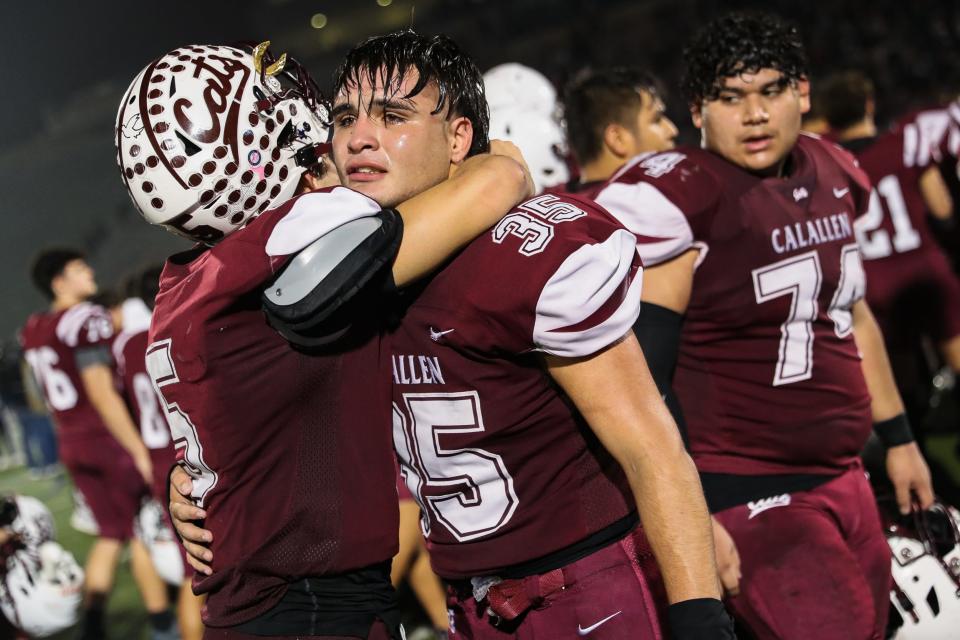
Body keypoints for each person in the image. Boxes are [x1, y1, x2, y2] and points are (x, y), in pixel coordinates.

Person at [177, 30, 733, 640]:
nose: (361, 137)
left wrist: (698, 612)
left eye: (394, 117)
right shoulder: (330, 269)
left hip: (587, 587)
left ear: (459, 137)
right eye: (345, 118)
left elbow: (651, 447)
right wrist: (196, 482)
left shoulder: (521, 251)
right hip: (467, 604)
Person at [115, 40, 532, 639]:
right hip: (315, 601)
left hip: (253, 601)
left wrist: (189, 484)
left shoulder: (184, 278)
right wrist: (501, 160)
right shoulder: (297, 235)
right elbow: (500, 176)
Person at [593, 12, 934, 640]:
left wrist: (901, 438)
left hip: (846, 471)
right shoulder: (680, 197)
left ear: (801, 93)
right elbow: (642, 378)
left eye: (770, 92)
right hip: (748, 490)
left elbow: (852, 316)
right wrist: (690, 514)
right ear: (697, 108)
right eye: (730, 98)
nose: (754, 115)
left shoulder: (833, 169)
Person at [19, 249, 174, 639]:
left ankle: (92, 625)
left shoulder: (35, 326)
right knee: (145, 527)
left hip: (69, 439)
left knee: (111, 533)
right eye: (78, 269)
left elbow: (39, 394)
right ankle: (162, 622)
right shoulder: (85, 318)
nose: (89, 272)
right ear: (59, 282)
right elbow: (101, 392)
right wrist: (138, 450)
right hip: (106, 438)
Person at [818, 71, 960, 427]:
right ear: (869, 104)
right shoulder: (902, 144)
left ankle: (916, 457)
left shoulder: (826, 163)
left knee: (901, 387)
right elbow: (942, 209)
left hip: (872, 284)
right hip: (925, 269)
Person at [109, 266, 205, 640]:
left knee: (193, 568)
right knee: (200, 573)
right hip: (185, 455)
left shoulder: (122, 344)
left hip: (156, 459)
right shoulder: (170, 328)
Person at [561, 66, 678, 195]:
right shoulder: (640, 210)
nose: (672, 130)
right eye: (656, 120)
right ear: (618, 139)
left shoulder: (555, 203)